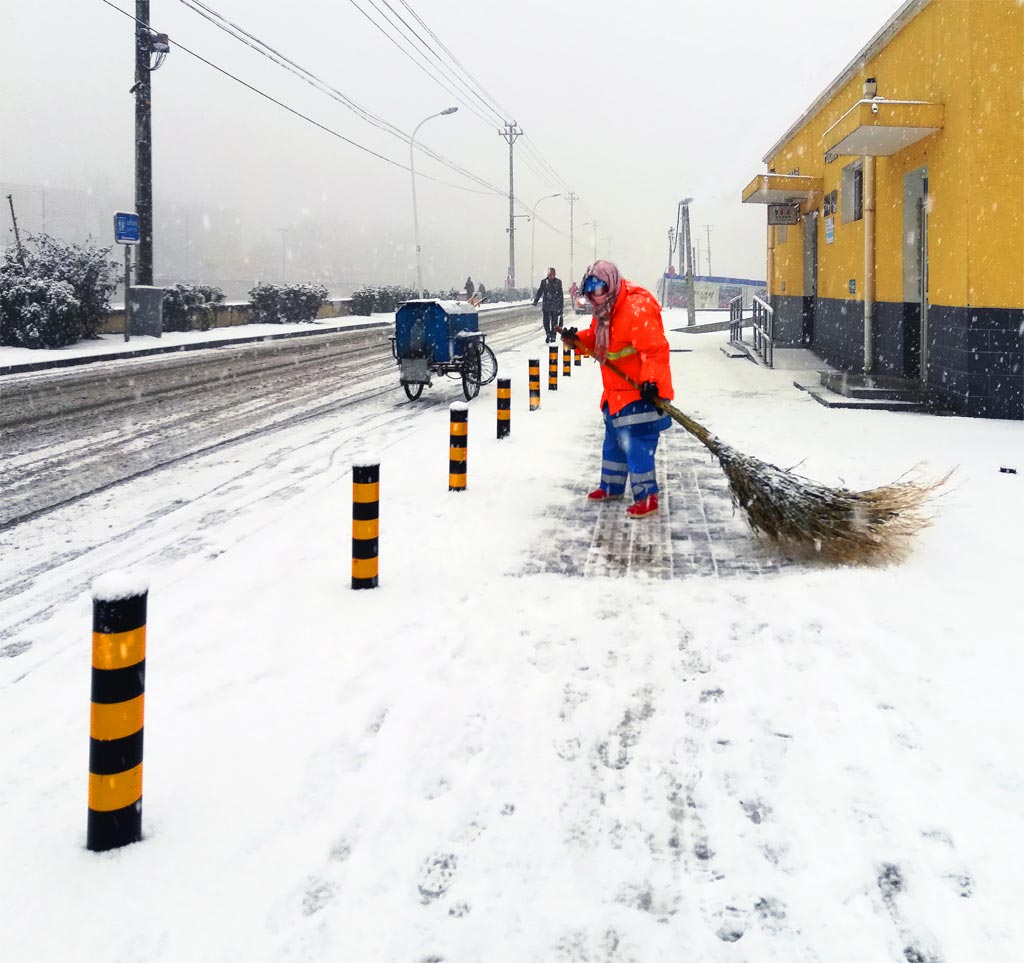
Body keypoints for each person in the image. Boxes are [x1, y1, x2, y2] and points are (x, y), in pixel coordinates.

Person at [560, 260, 674, 519]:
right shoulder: (605, 310)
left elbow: (654, 349)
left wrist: (651, 382)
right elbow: (598, 338)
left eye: (599, 288)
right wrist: (576, 341)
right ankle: (611, 486)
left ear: (610, 283)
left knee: (636, 445)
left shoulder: (636, 307)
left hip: (641, 393)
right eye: (590, 290)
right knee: (613, 442)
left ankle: (647, 497)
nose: (595, 295)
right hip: (616, 393)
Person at [533, 267, 564, 343]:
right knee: (546, 322)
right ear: (548, 275)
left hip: (555, 306)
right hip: (546, 306)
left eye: (553, 275)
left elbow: (561, 295)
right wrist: (536, 300)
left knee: (554, 323)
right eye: (550, 275)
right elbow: (540, 291)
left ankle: (553, 336)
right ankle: (548, 334)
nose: (552, 276)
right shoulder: (544, 282)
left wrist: (561, 306)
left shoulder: (558, 282)